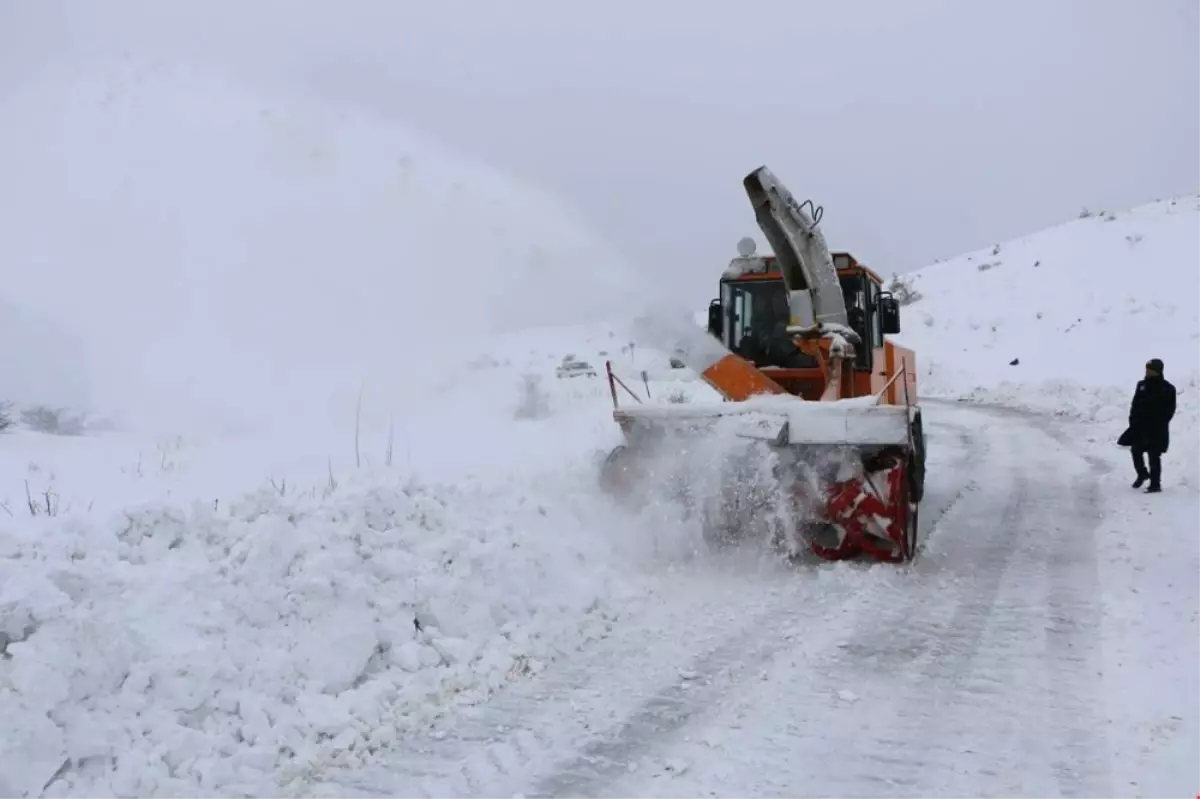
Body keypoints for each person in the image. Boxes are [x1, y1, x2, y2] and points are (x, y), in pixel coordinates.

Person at [1118, 358, 1176, 493]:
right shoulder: (1141, 385)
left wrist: (1159, 423)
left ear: (1158, 371)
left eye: (1151, 370)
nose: (1148, 372)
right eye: (1147, 369)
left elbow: (1169, 410)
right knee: (1135, 451)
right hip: (1139, 426)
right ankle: (1142, 474)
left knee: (1154, 455)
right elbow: (1135, 404)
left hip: (1157, 429)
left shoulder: (1167, 388)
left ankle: (1155, 484)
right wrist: (1132, 420)